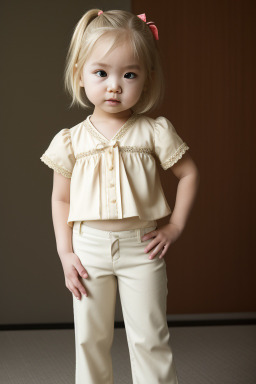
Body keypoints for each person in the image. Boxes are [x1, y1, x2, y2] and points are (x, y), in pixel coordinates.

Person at [40, 8, 200, 384]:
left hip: (141, 249)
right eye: (102, 73)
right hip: (88, 249)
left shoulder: (153, 132)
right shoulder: (71, 141)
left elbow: (189, 173)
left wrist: (175, 225)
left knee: (149, 338)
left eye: (129, 74)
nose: (115, 85)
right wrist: (66, 253)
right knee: (90, 340)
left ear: (146, 80)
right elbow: (60, 200)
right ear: (80, 72)